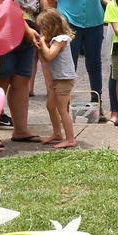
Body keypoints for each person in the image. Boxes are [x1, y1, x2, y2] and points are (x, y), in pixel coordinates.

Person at [39, 0, 108, 121]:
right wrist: (49, 12)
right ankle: (65, 108)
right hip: (69, 25)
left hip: (95, 23)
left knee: (95, 64)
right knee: (67, 68)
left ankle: (97, 106)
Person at [0, 0, 45, 144]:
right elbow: (4, 3)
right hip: (5, 33)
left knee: (21, 80)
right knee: (0, 81)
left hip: (28, 35)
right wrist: (27, 29)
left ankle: (21, 129)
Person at [35, 9, 78, 149]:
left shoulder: (60, 40)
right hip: (58, 78)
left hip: (64, 79)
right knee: (50, 105)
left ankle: (70, 138)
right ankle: (57, 133)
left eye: (43, 29)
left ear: (50, 27)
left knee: (62, 108)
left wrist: (41, 41)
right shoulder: (55, 40)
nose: (42, 32)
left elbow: (49, 56)